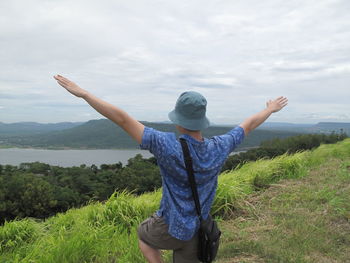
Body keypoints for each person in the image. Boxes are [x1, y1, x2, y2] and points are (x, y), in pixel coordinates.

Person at [54, 74, 288, 263]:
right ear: (202, 120)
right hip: (199, 227)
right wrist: (270, 109)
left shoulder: (165, 145)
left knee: (144, 237)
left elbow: (122, 119)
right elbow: (248, 125)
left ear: (178, 120)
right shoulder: (221, 146)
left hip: (170, 226)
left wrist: (84, 94)